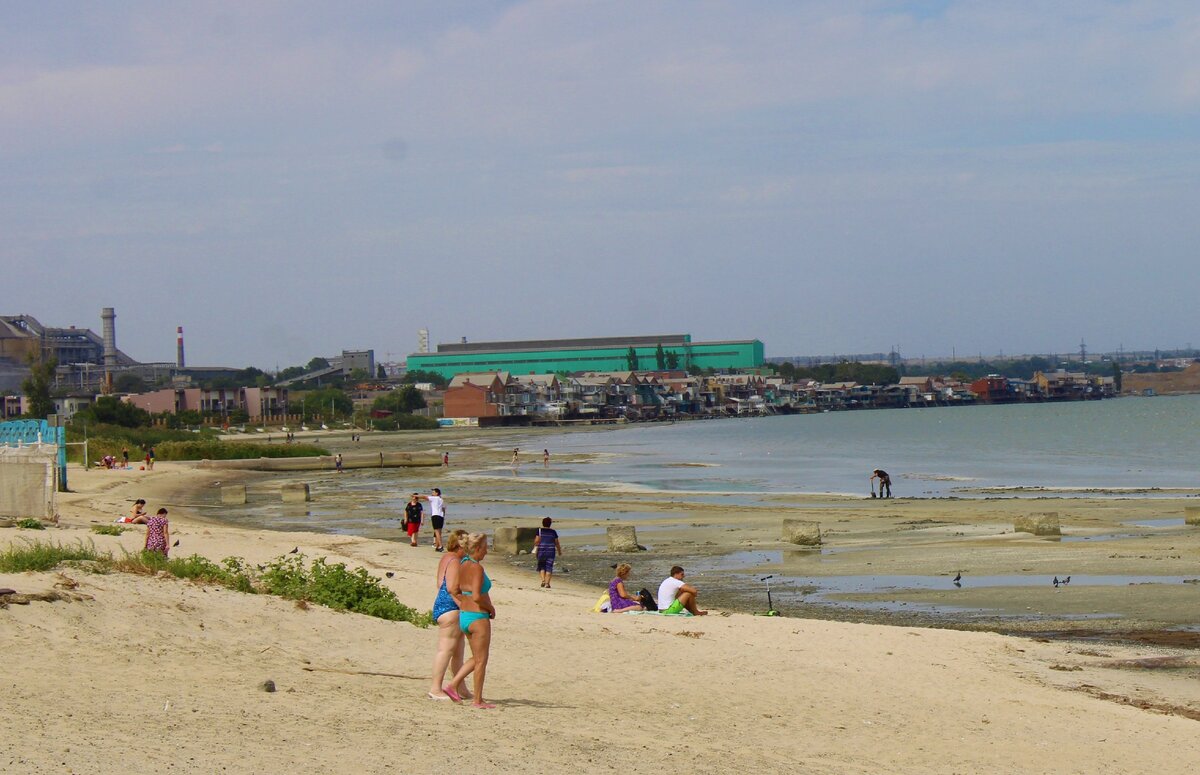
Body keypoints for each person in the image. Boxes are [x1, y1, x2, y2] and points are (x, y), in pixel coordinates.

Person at [447, 533, 497, 709]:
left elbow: (454, 589)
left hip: (465, 616)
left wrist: (464, 601)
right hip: (478, 617)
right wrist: (490, 608)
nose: (486, 551)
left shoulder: (462, 564)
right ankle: (478, 700)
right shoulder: (476, 567)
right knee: (482, 660)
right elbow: (477, 596)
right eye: (485, 547)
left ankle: (453, 685)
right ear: (477, 549)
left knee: (476, 658)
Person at [428, 529, 471, 701]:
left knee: (458, 652)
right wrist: (464, 604)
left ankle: (461, 688)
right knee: (446, 649)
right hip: (450, 607)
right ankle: (435, 688)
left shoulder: (446, 558)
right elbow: (452, 588)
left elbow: (440, 583)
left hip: (444, 605)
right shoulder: (454, 561)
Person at [532, 517, 562, 589]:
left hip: (541, 551)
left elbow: (536, 541)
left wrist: (536, 547)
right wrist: (559, 551)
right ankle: (547, 583)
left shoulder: (539, 531)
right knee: (549, 567)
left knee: (541, 566)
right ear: (550, 524)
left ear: (543, 523)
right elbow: (556, 543)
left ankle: (543, 581)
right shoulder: (553, 532)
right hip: (551, 551)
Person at [420, 487, 447, 552]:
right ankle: (437, 546)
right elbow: (443, 509)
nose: (432, 493)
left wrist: (415, 495)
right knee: (439, 531)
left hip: (435, 515)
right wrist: (443, 515)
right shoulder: (441, 499)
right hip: (441, 516)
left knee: (436, 531)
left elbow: (424, 497)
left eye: (433, 492)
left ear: (436, 493)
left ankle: (440, 545)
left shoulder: (434, 498)